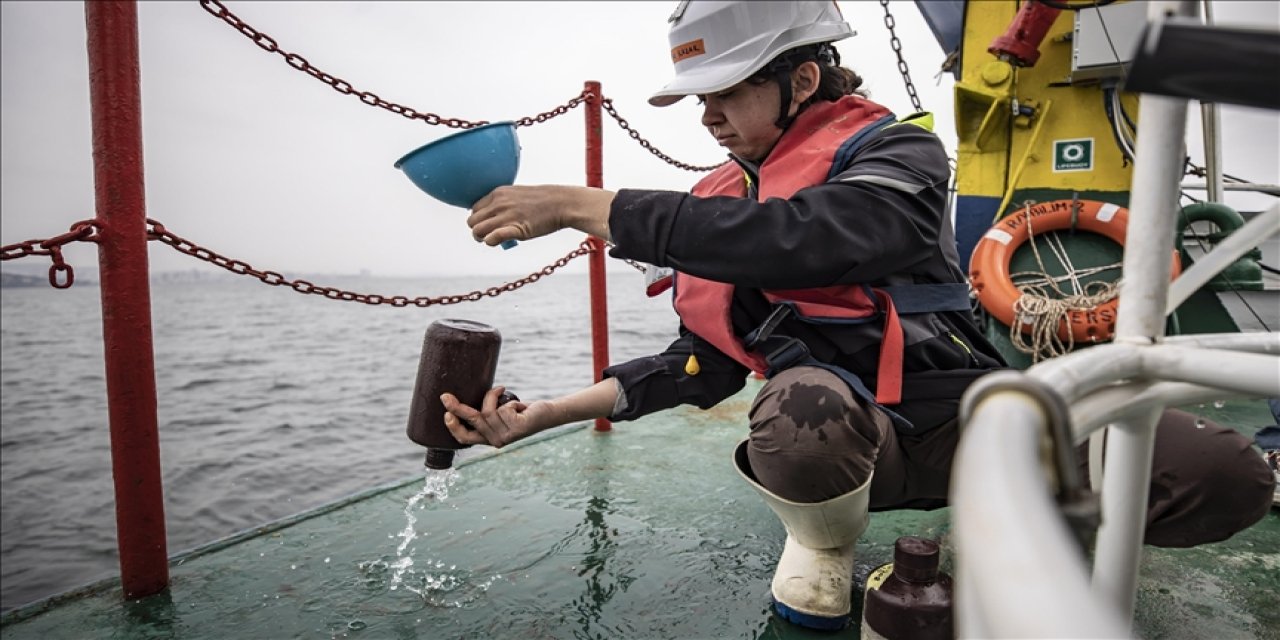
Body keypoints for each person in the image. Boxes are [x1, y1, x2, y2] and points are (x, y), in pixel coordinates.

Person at [439, 0, 1274, 631]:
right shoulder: (715, 203)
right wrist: (544, 413)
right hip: (846, 447)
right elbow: (700, 364)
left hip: (974, 419)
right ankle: (824, 547)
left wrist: (600, 207)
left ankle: (1043, 514)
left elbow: (831, 236)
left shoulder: (897, 154)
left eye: (724, 92)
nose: (707, 116)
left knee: (1223, 476)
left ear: (802, 79)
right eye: (701, 100)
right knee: (800, 406)